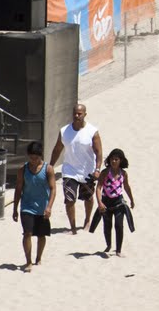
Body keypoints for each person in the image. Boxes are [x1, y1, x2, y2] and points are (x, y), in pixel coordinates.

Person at [49, 102, 103, 233]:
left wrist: (97, 169)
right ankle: (72, 227)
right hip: (69, 170)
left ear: (85, 114)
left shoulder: (92, 131)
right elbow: (57, 149)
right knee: (69, 200)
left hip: (87, 170)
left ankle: (87, 220)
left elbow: (99, 152)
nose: (76, 116)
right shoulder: (64, 131)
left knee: (88, 198)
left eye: (79, 113)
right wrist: (50, 166)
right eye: (75, 113)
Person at [11, 140, 56, 272]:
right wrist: (15, 209)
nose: (33, 160)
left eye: (36, 158)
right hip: (27, 206)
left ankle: (38, 257)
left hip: (42, 207)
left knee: (41, 235)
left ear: (40, 156)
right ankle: (28, 261)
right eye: (31, 157)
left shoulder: (48, 169)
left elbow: (53, 189)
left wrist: (49, 207)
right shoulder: (23, 170)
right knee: (27, 233)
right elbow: (18, 189)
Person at [88, 149, 135, 256]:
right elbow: (99, 188)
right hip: (106, 203)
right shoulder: (105, 173)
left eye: (116, 159)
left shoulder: (123, 173)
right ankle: (108, 245)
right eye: (112, 159)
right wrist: (100, 202)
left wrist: (132, 200)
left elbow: (127, 187)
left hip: (118, 202)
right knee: (107, 225)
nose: (113, 161)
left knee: (119, 225)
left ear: (120, 161)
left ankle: (118, 250)